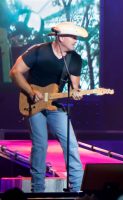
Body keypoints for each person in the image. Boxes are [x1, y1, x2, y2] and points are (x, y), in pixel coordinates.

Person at [9, 21, 88, 192]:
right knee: (40, 145)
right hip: (33, 104)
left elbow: (75, 87)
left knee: (71, 144)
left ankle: (77, 190)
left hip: (55, 105)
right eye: (73, 37)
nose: (76, 40)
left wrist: (77, 93)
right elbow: (15, 72)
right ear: (61, 38)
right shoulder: (38, 51)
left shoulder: (75, 59)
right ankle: (38, 191)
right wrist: (30, 92)